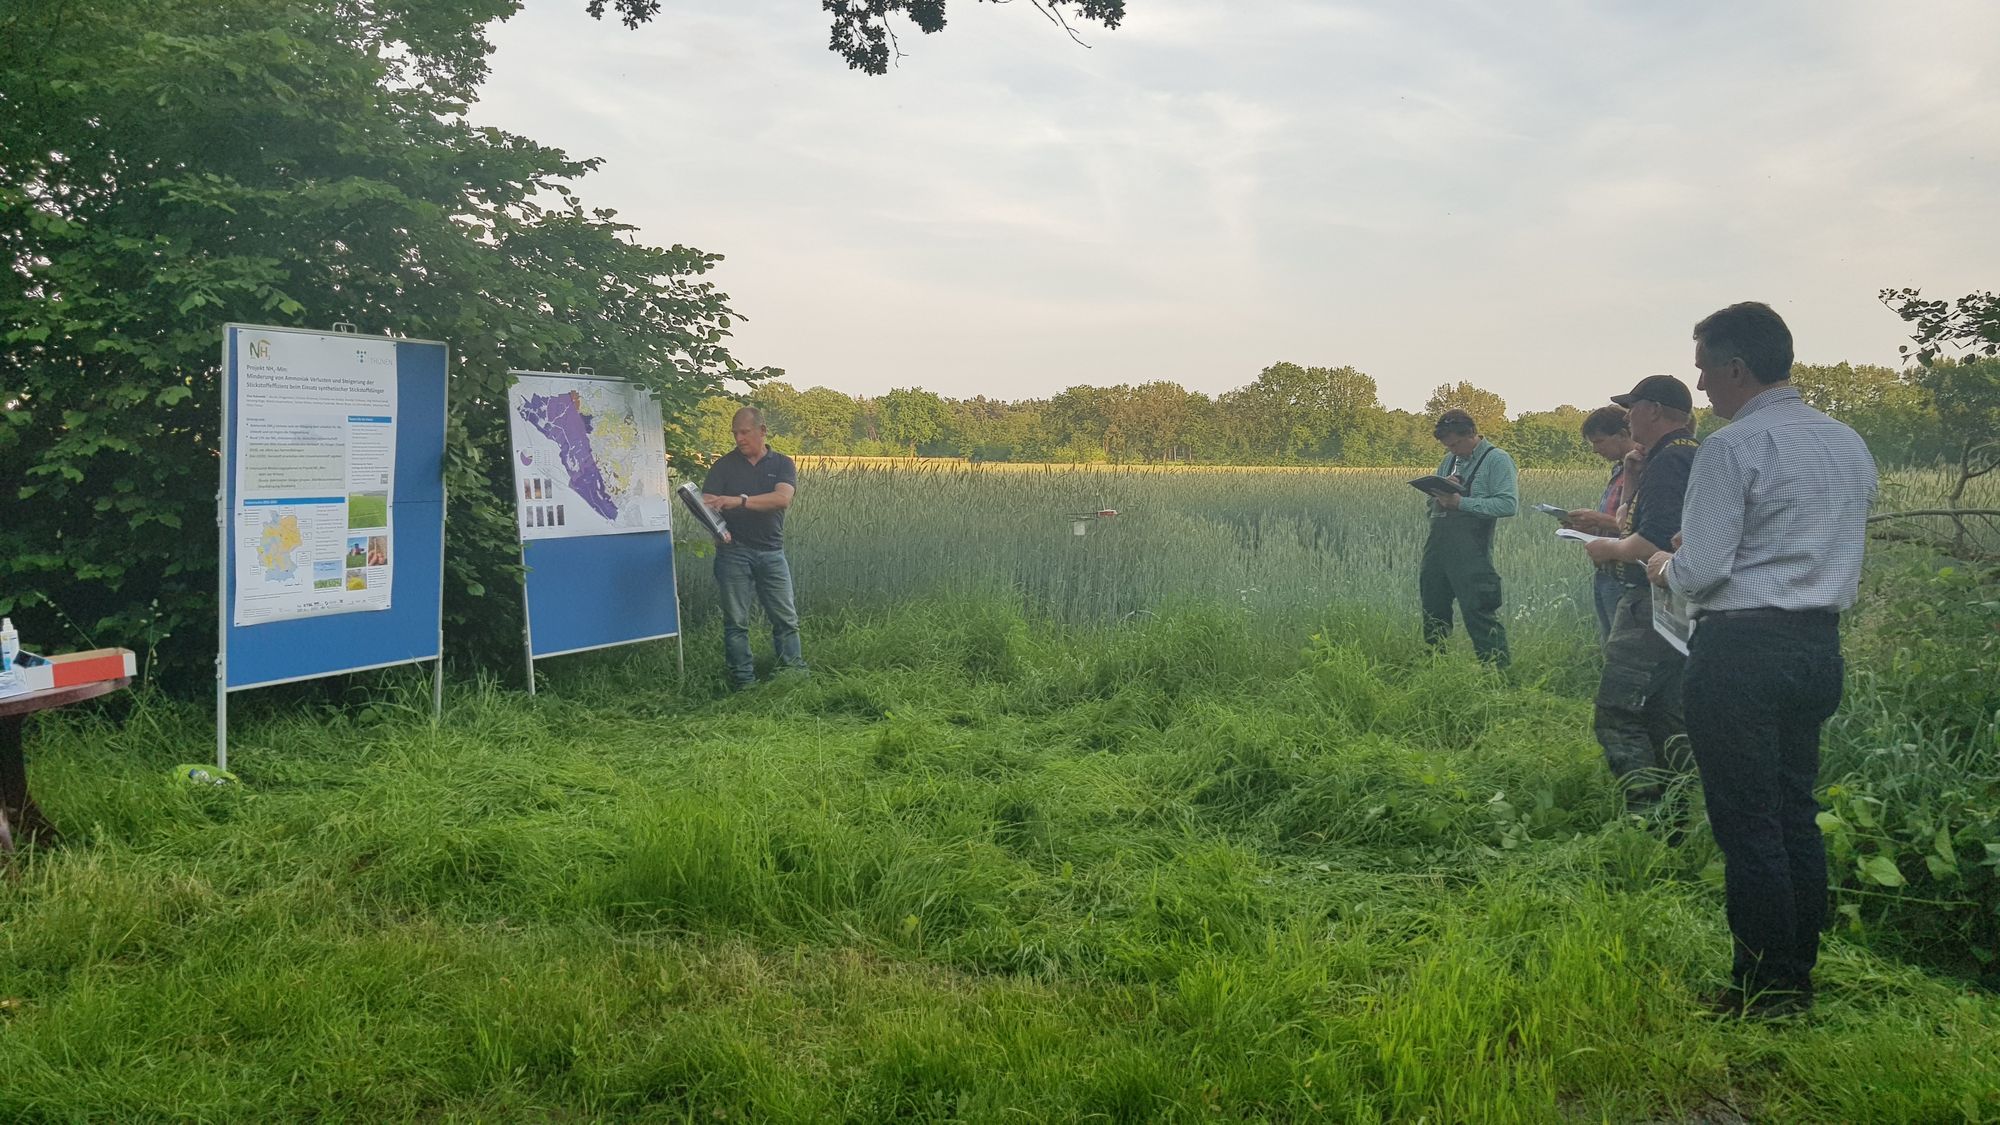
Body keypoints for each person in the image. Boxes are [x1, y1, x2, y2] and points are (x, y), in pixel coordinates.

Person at [1646, 302, 1877, 1019]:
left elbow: (1704, 570)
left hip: (1741, 651)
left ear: (1737, 367)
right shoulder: (1847, 442)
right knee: (1793, 814)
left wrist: (1660, 561)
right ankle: (1796, 970)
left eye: (1706, 368)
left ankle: (1767, 989)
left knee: (1747, 824)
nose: (1702, 384)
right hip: (1816, 649)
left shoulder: (1734, 446)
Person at [1581, 377, 1699, 811]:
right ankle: (1680, 808)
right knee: (1666, 713)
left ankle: (1645, 814)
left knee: (1619, 713)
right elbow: (1637, 525)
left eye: (1632, 408)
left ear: (1653, 409)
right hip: (1679, 603)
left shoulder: (1670, 461)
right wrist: (1631, 477)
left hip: (1650, 602)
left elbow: (1650, 541)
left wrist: (1606, 549)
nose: (1627, 417)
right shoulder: (1683, 456)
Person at [702, 407, 807, 690]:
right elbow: (707, 502)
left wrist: (739, 501)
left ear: (762, 431)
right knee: (736, 622)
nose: (739, 438)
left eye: (745, 432)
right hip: (733, 552)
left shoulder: (783, 464)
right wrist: (716, 527)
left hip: (772, 552)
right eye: (735, 433)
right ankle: (743, 682)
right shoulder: (723, 466)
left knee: (786, 618)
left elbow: (781, 499)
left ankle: (793, 677)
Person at [1418, 409, 1518, 666]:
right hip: (1438, 548)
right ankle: (1435, 668)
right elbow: (1433, 506)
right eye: (1447, 446)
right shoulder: (1448, 461)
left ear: (1471, 434)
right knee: (1433, 611)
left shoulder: (1497, 460)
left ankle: (1498, 676)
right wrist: (1440, 493)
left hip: (1473, 553)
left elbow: (1508, 505)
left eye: (1455, 444)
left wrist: (1461, 503)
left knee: (1479, 613)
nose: (1452, 450)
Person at [1565, 406, 1640, 642]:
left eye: (1599, 441)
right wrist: (1588, 526)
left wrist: (1599, 519)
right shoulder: (1619, 469)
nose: (1596, 450)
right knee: (1609, 642)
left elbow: (1644, 527)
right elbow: (1619, 521)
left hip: (1626, 573)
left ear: (1622, 434)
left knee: (1623, 645)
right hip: (1605, 570)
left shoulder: (1644, 469)